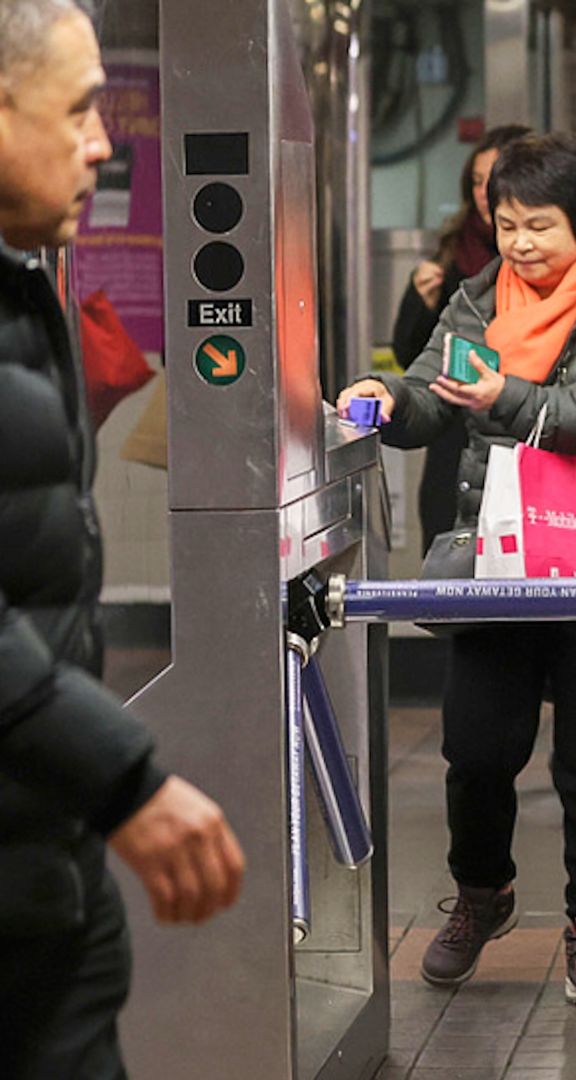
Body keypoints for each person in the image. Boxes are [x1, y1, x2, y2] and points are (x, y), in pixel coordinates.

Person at [336, 132, 576, 1017]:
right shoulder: (477, 303)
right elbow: (424, 393)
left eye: (540, 226)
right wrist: (384, 404)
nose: (520, 243)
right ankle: (482, 893)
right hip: (498, 564)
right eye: (509, 223)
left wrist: (507, 401)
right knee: (477, 750)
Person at [0, 1, 246, 1074]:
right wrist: (124, 780)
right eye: (82, 107)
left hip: (39, 873)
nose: (104, 142)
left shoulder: (19, 288)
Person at [390, 123, 531, 554]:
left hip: (523, 446)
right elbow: (413, 359)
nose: (485, 192)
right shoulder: (454, 250)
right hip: (453, 444)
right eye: (476, 182)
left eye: (495, 179)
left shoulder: (549, 261)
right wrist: (419, 302)